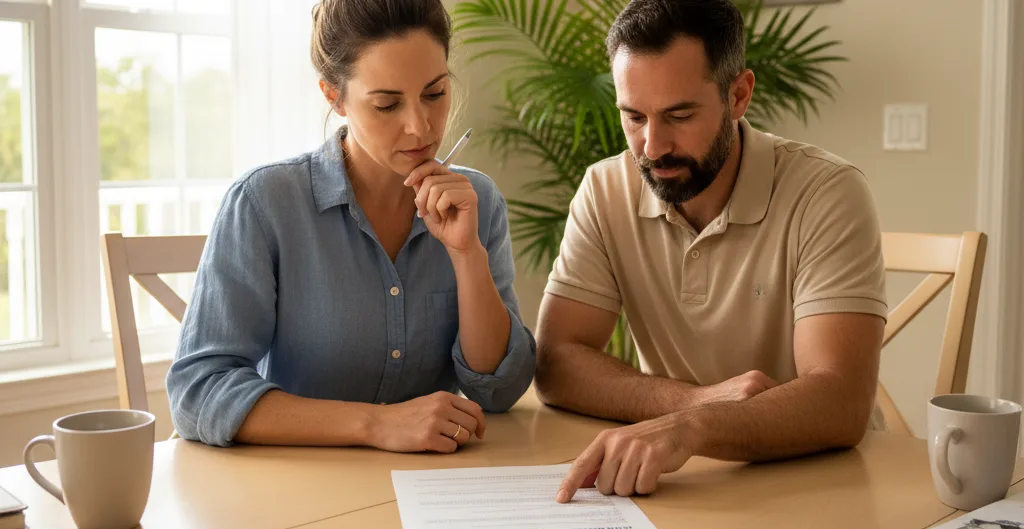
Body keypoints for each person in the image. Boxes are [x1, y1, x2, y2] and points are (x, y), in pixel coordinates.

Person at [536, 0, 887, 502]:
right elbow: (555, 362)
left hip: (822, 487)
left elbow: (842, 400)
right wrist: (693, 405)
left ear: (739, 95)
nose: (652, 146)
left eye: (679, 115)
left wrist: (694, 428)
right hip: (679, 488)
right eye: (633, 116)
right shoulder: (604, 189)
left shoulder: (827, 193)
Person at [167, 0, 536, 451]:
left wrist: (466, 255)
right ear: (333, 96)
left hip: (432, 489)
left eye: (435, 94)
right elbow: (198, 391)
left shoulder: (478, 202)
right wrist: (378, 424)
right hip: (294, 492)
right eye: (386, 104)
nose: (420, 128)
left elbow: (498, 391)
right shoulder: (265, 204)